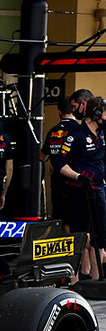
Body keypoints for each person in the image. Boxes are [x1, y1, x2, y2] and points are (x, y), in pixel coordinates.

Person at [54, 96, 106, 281]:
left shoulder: (102, 134)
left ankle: (97, 280)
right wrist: (78, 177)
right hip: (78, 191)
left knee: (100, 238)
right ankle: (74, 282)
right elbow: (60, 164)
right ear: (96, 113)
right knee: (78, 236)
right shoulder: (75, 136)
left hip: (99, 191)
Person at [40, 96, 79, 226]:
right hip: (74, 181)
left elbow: (42, 157)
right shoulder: (79, 130)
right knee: (74, 220)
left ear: (59, 111)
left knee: (58, 219)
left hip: (57, 181)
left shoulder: (52, 131)